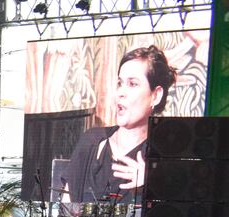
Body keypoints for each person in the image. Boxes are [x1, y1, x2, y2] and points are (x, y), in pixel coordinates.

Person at [62, 45, 176, 203]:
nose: (120, 93)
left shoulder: (165, 157)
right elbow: (66, 209)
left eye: (132, 84)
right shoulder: (92, 141)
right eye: (120, 83)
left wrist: (152, 185)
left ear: (155, 96)